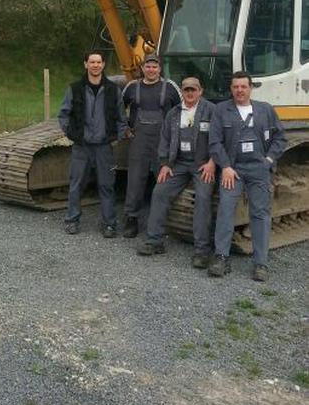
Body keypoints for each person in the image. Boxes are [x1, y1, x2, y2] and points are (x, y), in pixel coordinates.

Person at [208, 71, 287, 282]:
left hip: (258, 169)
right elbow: (214, 142)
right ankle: (221, 257)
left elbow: (280, 137)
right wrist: (224, 166)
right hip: (233, 170)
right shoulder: (221, 110)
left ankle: (260, 263)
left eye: (243, 86)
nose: (239, 90)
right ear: (231, 89)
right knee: (225, 209)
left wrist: (269, 160)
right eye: (235, 87)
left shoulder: (265, 110)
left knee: (260, 214)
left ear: (250, 88)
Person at [137, 76, 215, 265]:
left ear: (200, 91)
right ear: (182, 92)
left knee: (203, 198)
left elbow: (220, 138)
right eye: (186, 90)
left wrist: (213, 162)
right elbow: (164, 139)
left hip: (202, 164)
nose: (190, 93)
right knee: (159, 191)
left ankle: (201, 250)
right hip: (178, 163)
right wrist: (165, 163)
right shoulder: (173, 113)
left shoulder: (211, 111)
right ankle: (155, 240)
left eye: (193, 90)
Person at [58, 49, 128, 238]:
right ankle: (72, 220)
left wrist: (116, 138)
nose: (95, 65)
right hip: (82, 146)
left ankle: (109, 224)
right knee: (76, 184)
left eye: (99, 62)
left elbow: (122, 118)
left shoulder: (113, 90)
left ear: (103, 65)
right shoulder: (75, 89)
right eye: (92, 62)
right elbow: (63, 114)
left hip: (104, 147)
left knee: (106, 186)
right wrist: (71, 134)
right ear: (85, 64)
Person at [121, 54, 181, 237]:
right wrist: (124, 128)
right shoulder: (132, 87)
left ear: (160, 69)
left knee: (162, 182)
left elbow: (181, 111)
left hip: (162, 143)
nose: (151, 70)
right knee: (135, 181)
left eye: (155, 67)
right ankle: (131, 219)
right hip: (138, 141)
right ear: (143, 68)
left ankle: (162, 222)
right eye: (148, 66)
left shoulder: (170, 88)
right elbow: (117, 109)